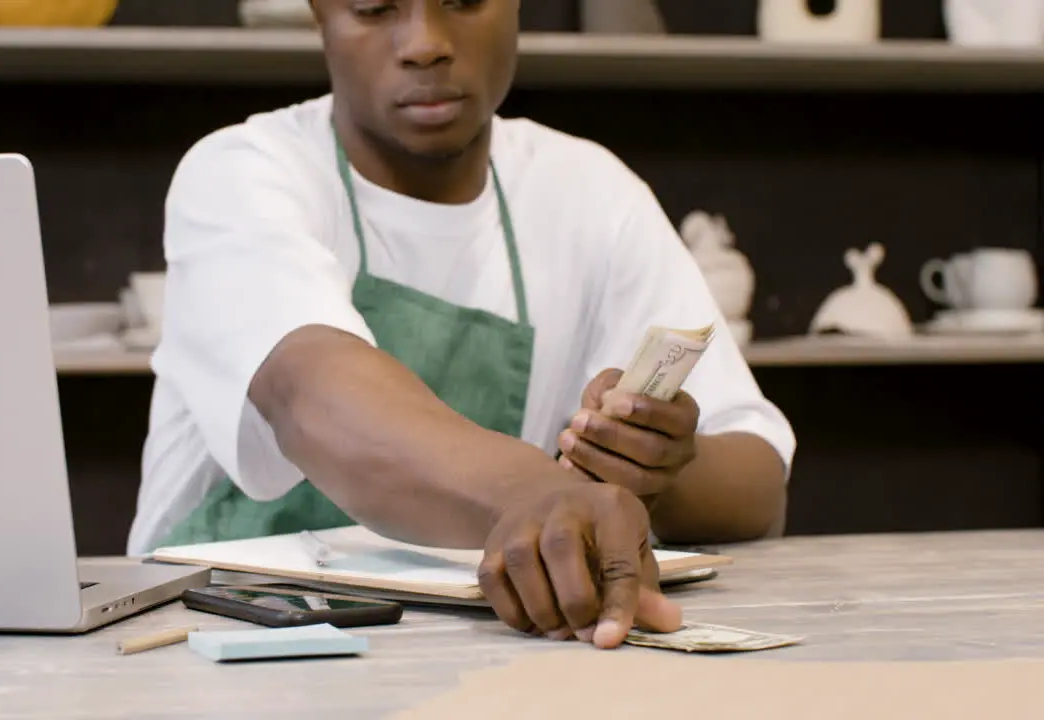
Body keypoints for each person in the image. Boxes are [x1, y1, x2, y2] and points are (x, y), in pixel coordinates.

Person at [130, 0, 796, 649]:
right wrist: (545, 494)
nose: (424, 42)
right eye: (374, 8)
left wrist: (652, 472)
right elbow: (313, 396)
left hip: (480, 649)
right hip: (211, 641)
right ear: (319, 16)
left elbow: (759, 482)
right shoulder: (243, 173)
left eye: (462, 0)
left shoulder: (590, 191)